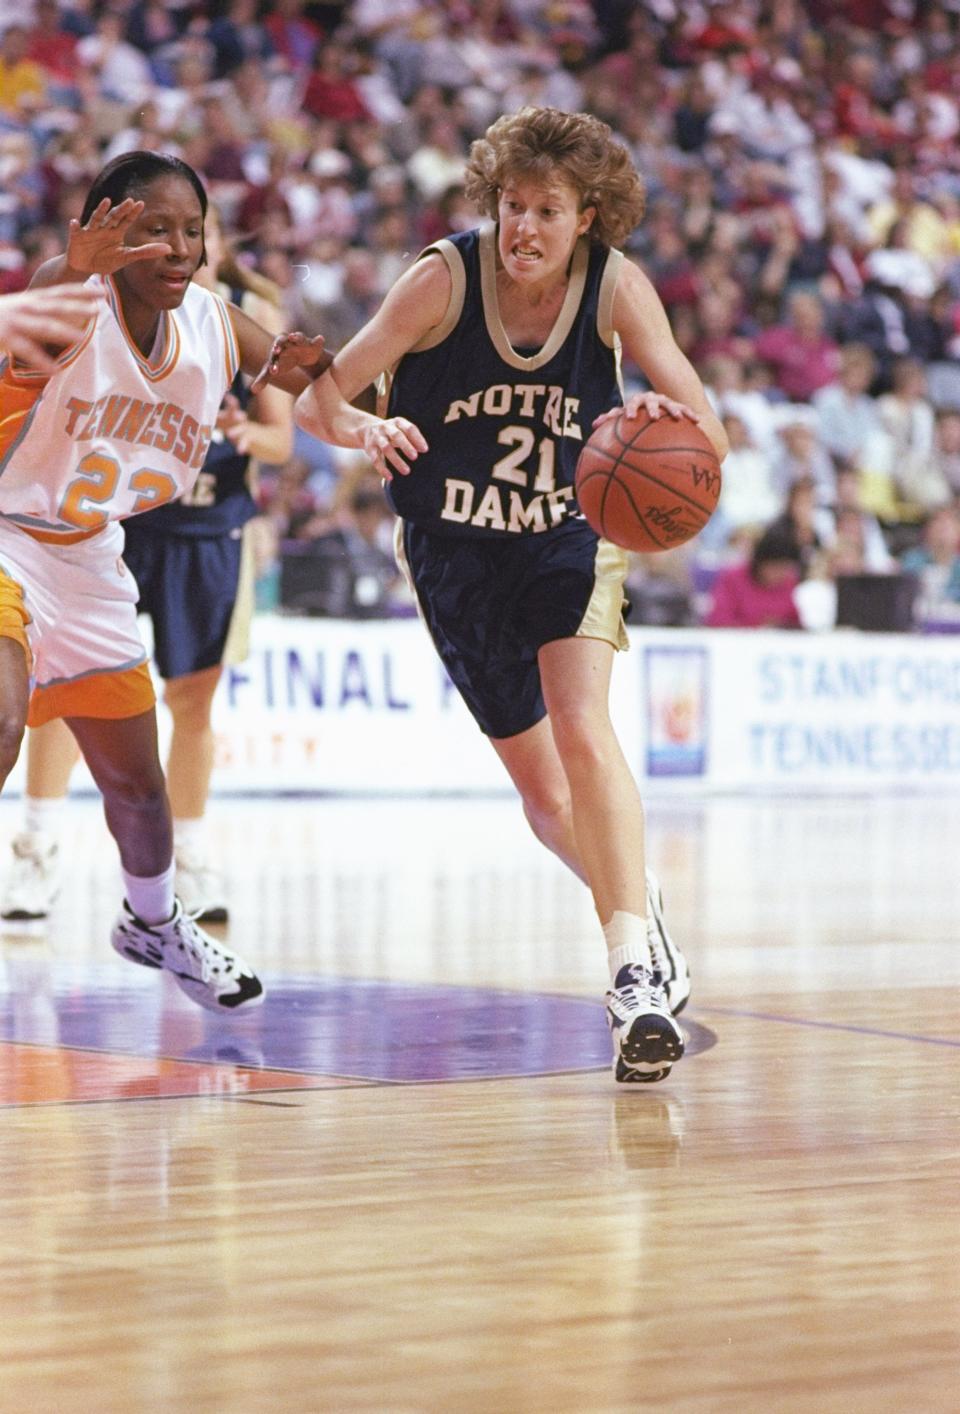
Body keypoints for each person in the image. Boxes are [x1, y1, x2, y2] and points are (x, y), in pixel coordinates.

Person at [258, 107, 729, 1084]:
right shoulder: (440, 280)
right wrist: (360, 433)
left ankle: (631, 969)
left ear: (587, 216)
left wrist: (659, 412)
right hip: (453, 552)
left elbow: (709, 435)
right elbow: (319, 399)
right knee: (542, 794)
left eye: (546, 211)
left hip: (567, 537)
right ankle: (640, 911)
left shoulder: (616, 289)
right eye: (512, 206)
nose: (523, 228)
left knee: (584, 724)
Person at [0, 150, 330, 1012]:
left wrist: (360, 420)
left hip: (89, 553)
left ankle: (151, 922)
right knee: (3, 717)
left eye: (192, 230)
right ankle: (33, 855)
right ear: (107, 234)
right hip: (4, 528)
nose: (179, 247)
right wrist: (76, 265)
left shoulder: (213, 323)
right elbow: (51, 282)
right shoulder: (74, 294)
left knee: (140, 790)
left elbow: (295, 378)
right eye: (154, 230)